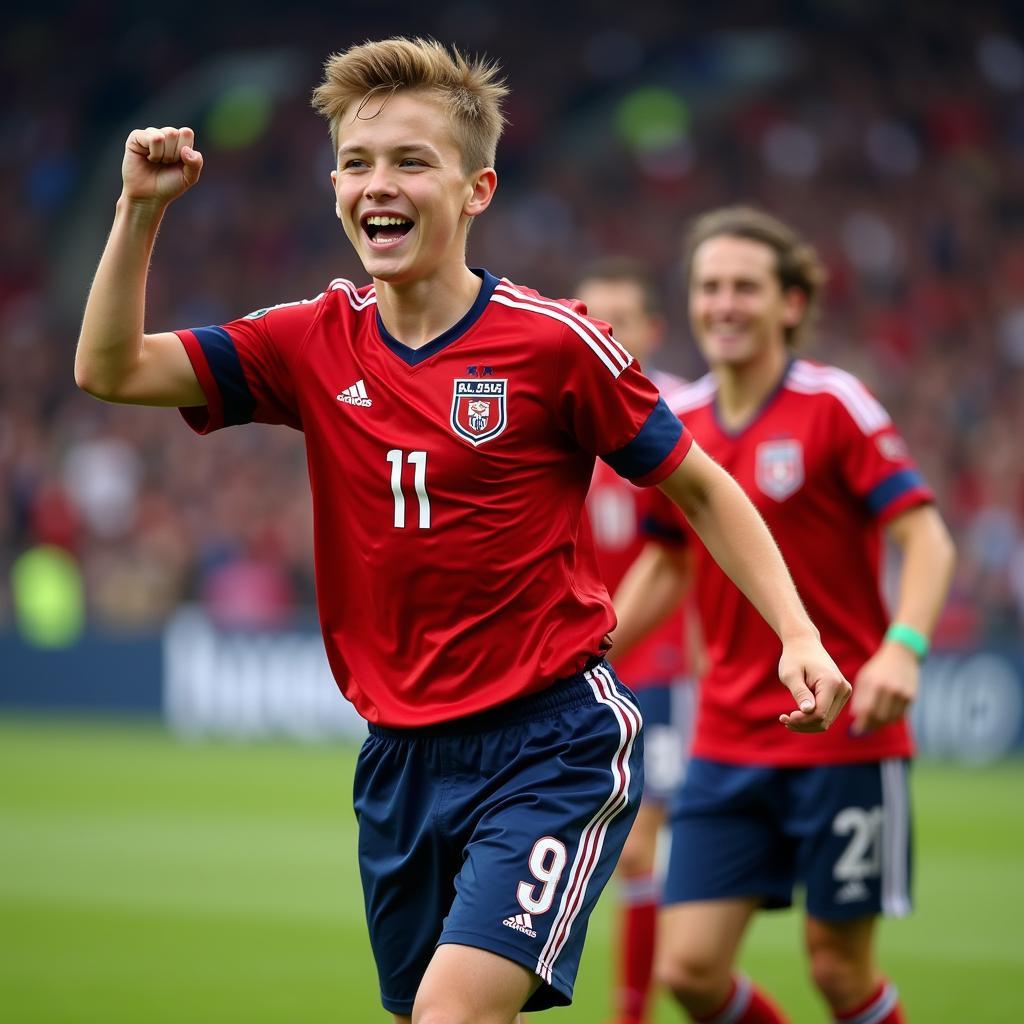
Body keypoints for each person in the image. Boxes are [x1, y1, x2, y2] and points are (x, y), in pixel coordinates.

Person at [73, 39, 851, 1024]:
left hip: (549, 743)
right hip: (398, 762)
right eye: (356, 163)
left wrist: (798, 634)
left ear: (476, 189)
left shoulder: (552, 344)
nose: (376, 185)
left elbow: (700, 485)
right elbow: (110, 370)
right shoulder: (309, 338)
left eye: (410, 162)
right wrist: (139, 210)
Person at [612, 206, 956, 1024]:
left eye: (745, 288)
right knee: (689, 972)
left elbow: (928, 538)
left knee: (839, 973)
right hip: (725, 736)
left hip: (845, 739)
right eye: (709, 288)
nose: (723, 305)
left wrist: (901, 648)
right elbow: (666, 557)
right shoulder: (681, 423)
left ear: (791, 304)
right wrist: (593, 651)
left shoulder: (836, 405)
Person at [574, 258, 696, 1024]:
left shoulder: (683, 412)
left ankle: (631, 1014)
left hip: (668, 664)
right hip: (589, 663)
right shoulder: (560, 405)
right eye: (595, 314)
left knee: (643, 844)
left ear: (652, 329)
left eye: (623, 316)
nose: (607, 330)